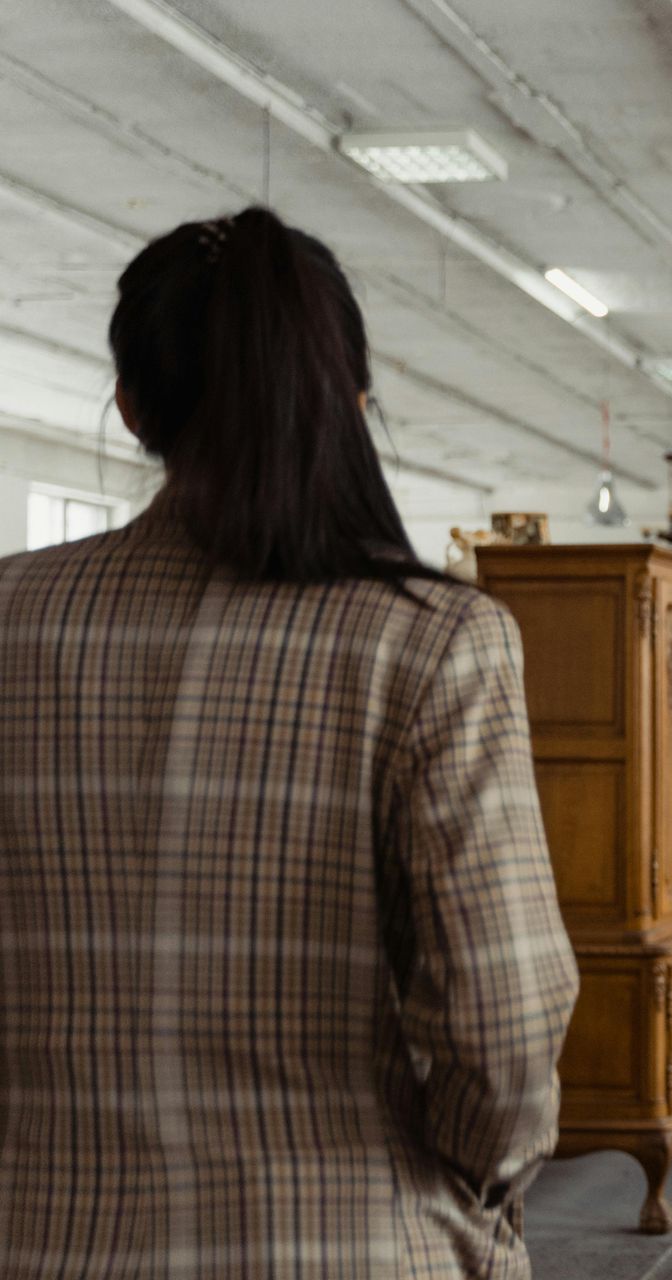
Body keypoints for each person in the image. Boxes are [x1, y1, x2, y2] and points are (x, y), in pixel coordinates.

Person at [0, 207, 579, 1278]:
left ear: (131, 409)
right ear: (353, 403)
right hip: (345, 1235)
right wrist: (478, 1184)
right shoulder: (434, 643)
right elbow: (502, 1028)